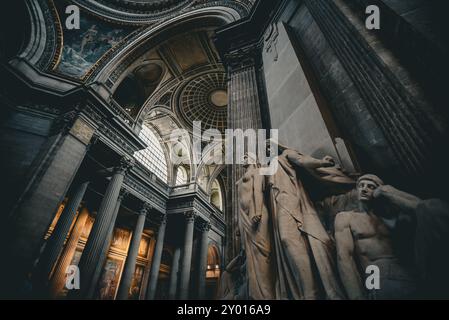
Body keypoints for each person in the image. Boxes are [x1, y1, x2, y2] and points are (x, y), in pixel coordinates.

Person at [266, 142, 353, 299]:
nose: (266, 150)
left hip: (291, 200)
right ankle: (307, 289)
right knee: (287, 241)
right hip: (279, 204)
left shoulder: (284, 155)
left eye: (267, 146)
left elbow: (302, 161)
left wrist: (322, 162)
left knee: (288, 238)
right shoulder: (268, 167)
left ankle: (310, 292)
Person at [334, 174, 417, 299]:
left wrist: (388, 192)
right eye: (361, 186)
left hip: (403, 270)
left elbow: (421, 208)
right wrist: (357, 296)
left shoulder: (390, 218)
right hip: (374, 271)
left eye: (370, 186)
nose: (364, 189)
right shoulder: (346, 217)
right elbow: (344, 258)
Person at [235, 153, 275, 299]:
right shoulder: (241, 179)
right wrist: (237, 224)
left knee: (262, 253)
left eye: (246, 156)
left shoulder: (257, 172)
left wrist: (257, 211)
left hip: (256, 214)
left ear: (253, 159)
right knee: (251, 257)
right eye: (243, 156)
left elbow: (258, 191)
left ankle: (266, 294)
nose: (243, 157)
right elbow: (239, 202)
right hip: (244, 218)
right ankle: (255, 294)